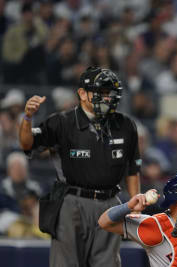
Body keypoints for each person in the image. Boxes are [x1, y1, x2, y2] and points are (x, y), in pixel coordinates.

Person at [19, 66, 142, 267]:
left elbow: (133, 167)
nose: (107, 98)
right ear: (82, 94)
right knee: (66, 264)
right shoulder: (62, 122)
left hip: (110, 203)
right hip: (72, 202)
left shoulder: (126, 125)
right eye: (100, 92)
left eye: (109, 93)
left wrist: (135, 205)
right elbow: (27, 144)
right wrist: (27, 118)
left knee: (108, 264)